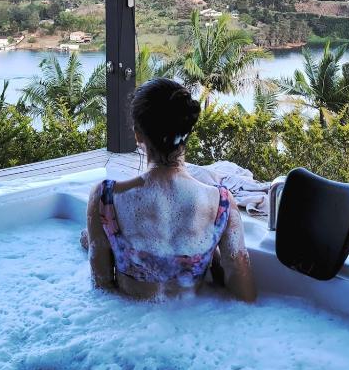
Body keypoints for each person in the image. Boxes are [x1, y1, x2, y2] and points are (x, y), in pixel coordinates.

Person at [86, 78, 256, 301]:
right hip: (195, 317)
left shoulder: (105, 198)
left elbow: (102, 290)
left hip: (131, 318)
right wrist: (209, 252)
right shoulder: (221, 203)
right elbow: (244, 297)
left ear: (137, 134)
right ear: (188, 132)